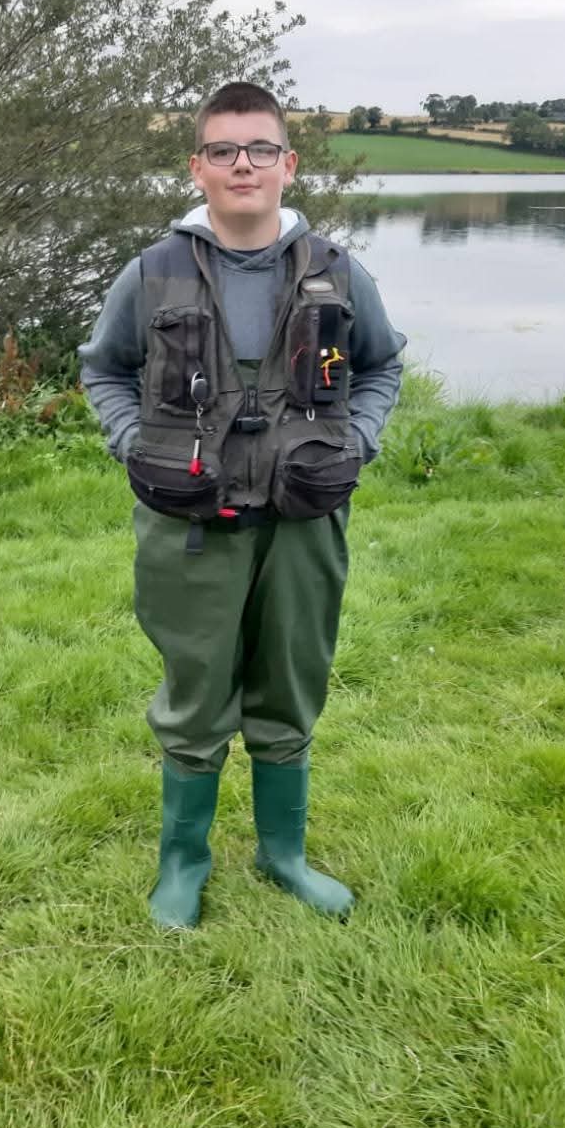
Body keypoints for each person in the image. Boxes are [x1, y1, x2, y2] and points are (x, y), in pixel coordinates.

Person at [78, 82, 405, 928]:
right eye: (223, 151)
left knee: (292, 684)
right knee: (195, 693)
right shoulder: (151, 273)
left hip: (305, 519)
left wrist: (358, 442)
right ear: (198, 167)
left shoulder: (338, 271)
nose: (243, 166)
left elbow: (381, 366)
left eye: (260, 149)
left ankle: (282, 854)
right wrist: (134, 444)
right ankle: (183, 863)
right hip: (189, 521)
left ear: (288, 164)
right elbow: (103, 370)